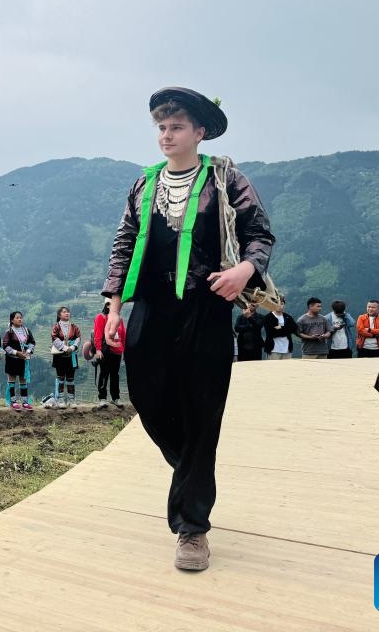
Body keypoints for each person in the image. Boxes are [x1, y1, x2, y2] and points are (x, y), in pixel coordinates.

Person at [102, 87, 274, 572]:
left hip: (207, 309)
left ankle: (192, 527)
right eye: (161, 126)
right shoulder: (143, 186)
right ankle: (196, 471)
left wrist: (245, 270)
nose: (166, 135)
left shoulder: (226, 179)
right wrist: (114, 308)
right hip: (151, 310)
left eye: (176, 127)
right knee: (148, 399)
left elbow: (260, 233)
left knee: (202, 412)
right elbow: (122, 245)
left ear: (199, 132)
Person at [92, 301, 126, 405]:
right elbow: (98, 334)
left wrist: (123, 350)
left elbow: (123, 336)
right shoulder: (101, 317)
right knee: (104, 373)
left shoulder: (119, 320)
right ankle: (102, 398)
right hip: (105, 350)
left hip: (117, 351)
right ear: (107, 305)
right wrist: (98, 349)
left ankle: (115, 398)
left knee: (115, 375)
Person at [3, 311, 36, 411]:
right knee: (12, 379)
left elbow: (32, 342)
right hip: (12, 359)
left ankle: (25, 402)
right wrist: (16, 353)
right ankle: (13, 401)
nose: (20, 319)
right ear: (12, 320)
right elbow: (5, 345)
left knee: (23, 379)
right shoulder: (9, 331)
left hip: (23, 359)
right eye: (17, 318)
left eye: (21, 317)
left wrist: (28, 351)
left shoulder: (26, 330)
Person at [50, 307, 81, 408]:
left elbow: (78, 337)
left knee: (71, 377)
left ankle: (71, 400)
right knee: (61, 377)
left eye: (68, 312)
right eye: (64, 312)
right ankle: (60, 399)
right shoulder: (56, 327)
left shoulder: (74, 326)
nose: (67, 313)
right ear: (59, 315)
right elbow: (54, 337)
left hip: (71, 354)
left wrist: (72, 347)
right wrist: (64, 347)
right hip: (60, 355)